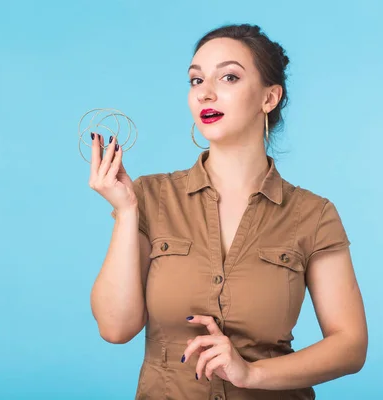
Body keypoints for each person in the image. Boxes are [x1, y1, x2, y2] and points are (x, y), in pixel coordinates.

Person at [89, 23, 368, 400]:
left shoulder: (314, 215)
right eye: (195, 80)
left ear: (269, 98)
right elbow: (115, 328)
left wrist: (251, 374)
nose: (205, 93)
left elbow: (350, 346)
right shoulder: (150, 197)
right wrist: (125, 213)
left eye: (229, 77)